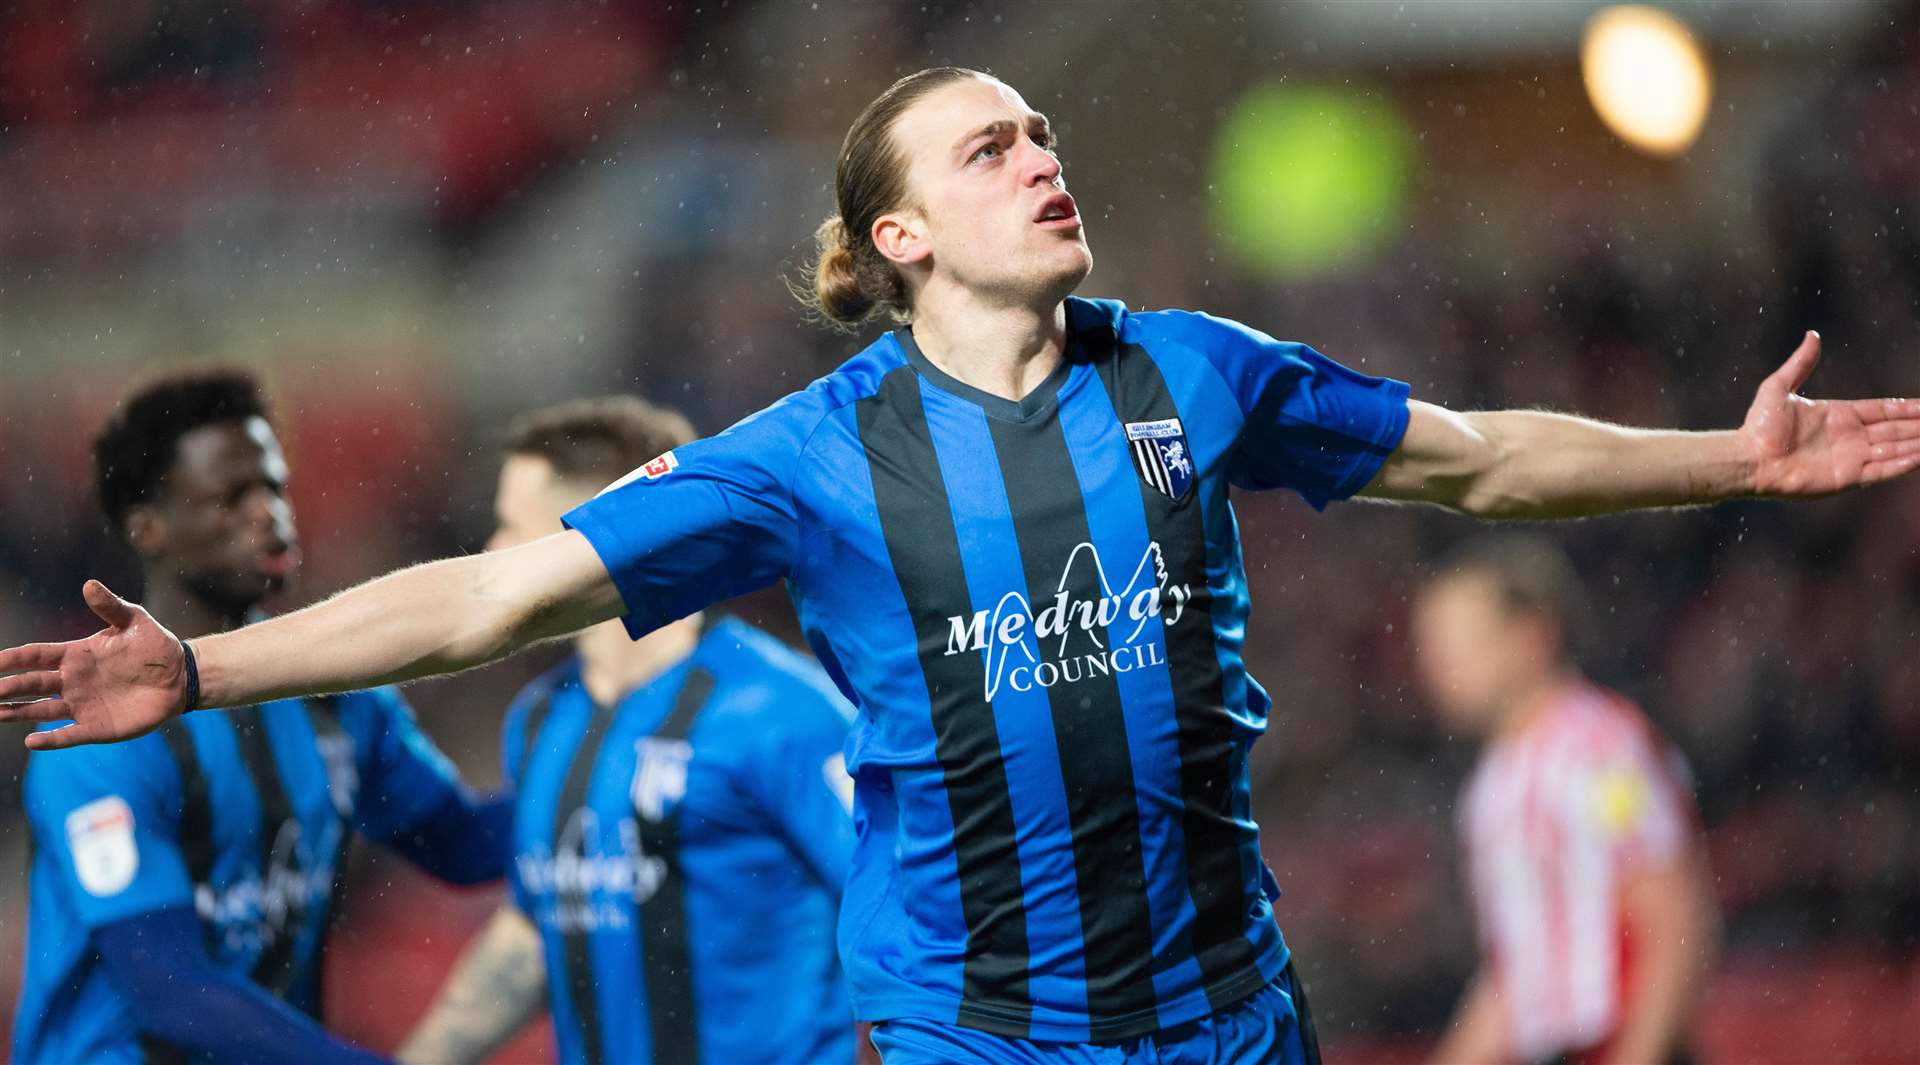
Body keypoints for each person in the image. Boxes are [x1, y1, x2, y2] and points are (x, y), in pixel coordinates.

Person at [3, 67, 1918, 1064]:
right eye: (994, 149)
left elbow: (1483, 464)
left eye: (1049, 133)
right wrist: (205, 670)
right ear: (903, 237)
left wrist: (1732, 458)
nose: (1043, 160)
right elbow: (488, 598)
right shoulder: (810, 456)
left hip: (1237, 1014)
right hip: (979, 1035)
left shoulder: (1194, 369)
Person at [10, 370, 509, 1065]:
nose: (268, 512)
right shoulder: (98, 737)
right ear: (148, 528)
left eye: (274, 486)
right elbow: (170, 988)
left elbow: (469, 847)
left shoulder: (338, 696)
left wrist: (609, 748)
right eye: (232, 496)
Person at [394, 396, 861, 1065]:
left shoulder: (781, 711)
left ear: (589, 538)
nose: (490, 553)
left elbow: (906, 910)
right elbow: (538, 926)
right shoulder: (540, 717)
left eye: (508, 528)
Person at [1412, 537, 1717, 1065]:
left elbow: (1675, 919)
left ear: (1532, 636)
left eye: (1459, 643)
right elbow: (1517, 974)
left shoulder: (1602, 753)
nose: (1437, 666)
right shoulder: (1492, 785)